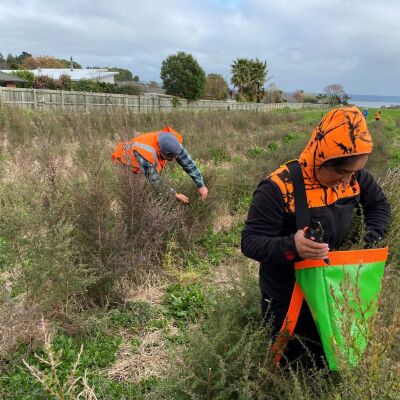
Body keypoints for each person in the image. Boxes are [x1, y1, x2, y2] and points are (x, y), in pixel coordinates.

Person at [241, 107, 391, 366]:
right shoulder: (278, 188)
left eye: (354, 173)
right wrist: (292, 246)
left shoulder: (355, 178)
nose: (347, 182)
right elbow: (250, 241)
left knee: (329, 357)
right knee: (290, 362)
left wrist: (367, 241)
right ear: (320, 157)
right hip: (286, 297)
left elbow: (379, 206)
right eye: (341, 173)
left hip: (330, 289)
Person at [112, 126, 208, 204]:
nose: (174, 159)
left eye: (176, 156)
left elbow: (188, 162)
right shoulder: (145, 153)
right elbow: (155, 179)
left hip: (142, 164)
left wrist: (201, 185)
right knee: (133, 196)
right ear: (159, 151)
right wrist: (174, 194)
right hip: (124, 163)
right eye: (170, 157)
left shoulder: (174, 144)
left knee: (146, 191)